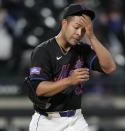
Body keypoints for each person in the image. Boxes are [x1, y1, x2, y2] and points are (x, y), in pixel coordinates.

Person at [27, 3, 116, 131]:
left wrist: (91, 36)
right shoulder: (43, 51)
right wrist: (70, 80)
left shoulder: (82, 49)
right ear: (64, 23)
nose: (79, 33)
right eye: (76, 27)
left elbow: (110, 67)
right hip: (47, 121)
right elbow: (39, 89)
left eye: (84, 30)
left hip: (76, 119)